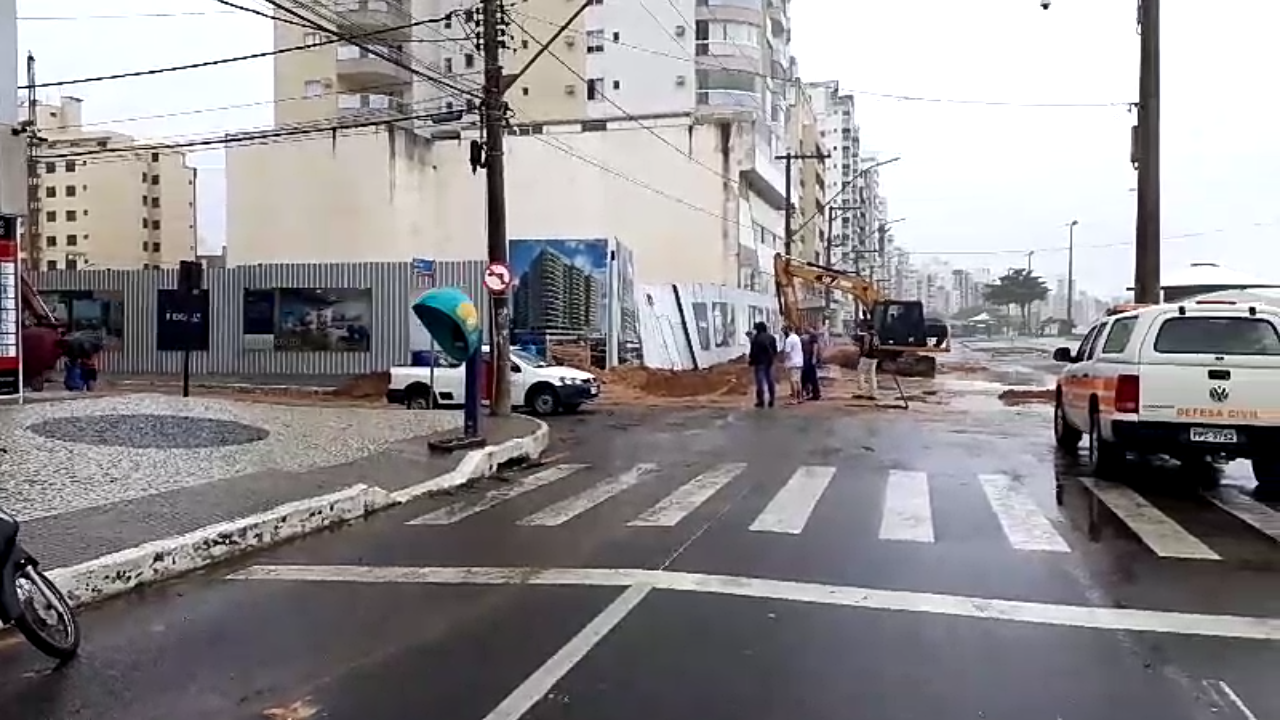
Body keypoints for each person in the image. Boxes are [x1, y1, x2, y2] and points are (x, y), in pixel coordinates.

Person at [747, 321, 778, 408]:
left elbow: (753, 352)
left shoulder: (756, 339)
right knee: (770, 381)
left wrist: (751, 361)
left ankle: (761, 401)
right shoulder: (772, 338)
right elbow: (775, 350)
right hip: (770, 362)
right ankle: (772, 399)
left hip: (759, 363)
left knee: (760, 382)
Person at [782, 325, 804, 403]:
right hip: (799, 361)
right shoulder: (797, 337)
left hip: (792, 362)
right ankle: (800, 397)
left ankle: (794, 399)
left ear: (788, 330)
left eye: (784, 330)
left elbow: (787, 353)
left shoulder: (789, 340)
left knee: (793, 381)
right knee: (798, 381)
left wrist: (784, 362)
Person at [801, 325, 822, 401]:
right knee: (807, 376)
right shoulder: (809, 336)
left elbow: (815, 347)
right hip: (807, 359)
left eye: (806, 327)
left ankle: (815, 393)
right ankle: (807, 392)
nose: (804, 328)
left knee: (810, 377)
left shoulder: (813, 336)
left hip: (809, 359)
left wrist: (814, 358)